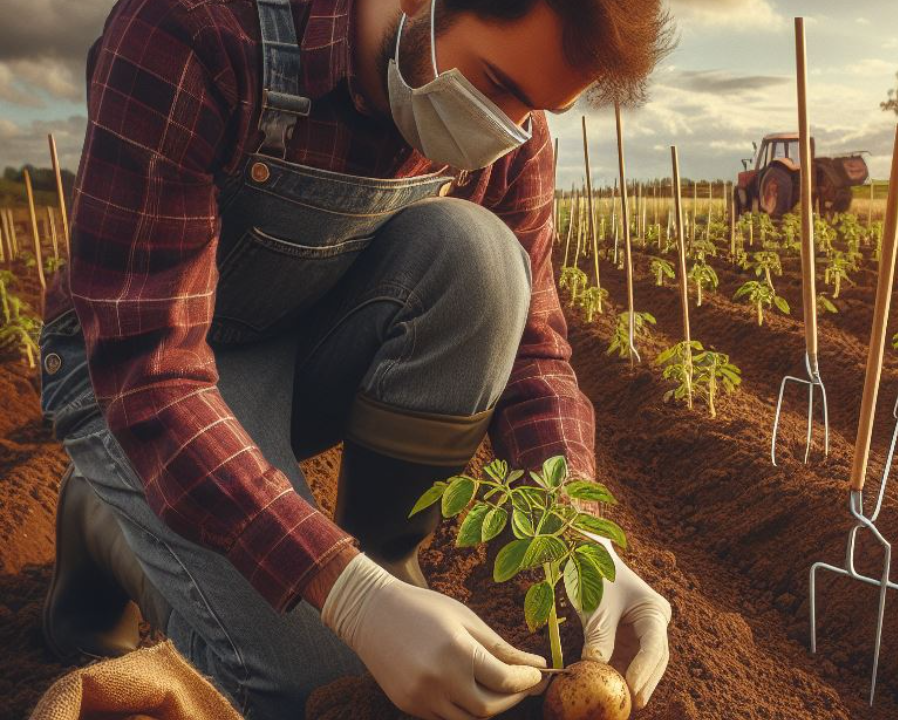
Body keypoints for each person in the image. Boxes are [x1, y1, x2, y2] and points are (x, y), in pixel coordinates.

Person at [37, 0, 676, 717]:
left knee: (487, 261)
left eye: (535, 110)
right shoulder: (195, 31)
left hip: (298, 341)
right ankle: (104, 518)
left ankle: (387, 560)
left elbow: (534, 346)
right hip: (133, 377)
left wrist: (572, 529)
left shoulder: (512, 133)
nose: (506, 133)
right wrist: (348, 596)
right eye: (495, 84)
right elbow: (149, 369)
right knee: (319, 688)